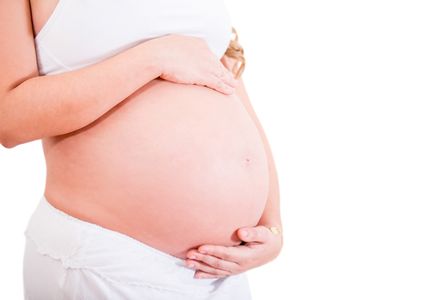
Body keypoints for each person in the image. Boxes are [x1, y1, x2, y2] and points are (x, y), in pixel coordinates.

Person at [0, 0, 283, 299]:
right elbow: (9, 119)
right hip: (109, 261)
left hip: (222, 271)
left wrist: (272, 224)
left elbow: (225, 79)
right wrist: (153, 58)